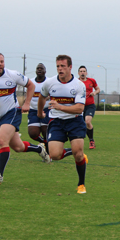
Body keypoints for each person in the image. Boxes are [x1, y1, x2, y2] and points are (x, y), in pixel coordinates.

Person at [0, 52, 50, 184]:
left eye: (2, 61)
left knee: (2, 140)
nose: (0, 64)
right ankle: (39, 149)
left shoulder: (12, 74)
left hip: (12, 112)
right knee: (18, 147)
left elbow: (30, 85)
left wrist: (26, 103)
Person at [38, 55, 88, 194]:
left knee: (78, 156)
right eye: (58, 66)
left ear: (70, 67)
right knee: (54, 155)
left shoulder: (78, 85)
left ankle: (81, 184)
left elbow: (79, 108)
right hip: (56, 122)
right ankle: (75, 151)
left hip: (75, 121)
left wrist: (60, 107)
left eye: (63, 66)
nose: (60, 69)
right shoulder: (50, 83)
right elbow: (42, 96)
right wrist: (40, 111)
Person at [28, 63, 50, 146]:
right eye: (38, 68)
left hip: (47, 109)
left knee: (46, 132)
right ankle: (43, 142)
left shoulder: (49, 82)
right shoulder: (31, 82)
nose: (39, 70)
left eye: (41, 68)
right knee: (33, 133)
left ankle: (48, 154)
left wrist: (47, 98)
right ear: (35, 71)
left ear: (45, 71)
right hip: (33, 110)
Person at [78, 66, 100, 149]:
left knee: (87, 121)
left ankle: (91, 141)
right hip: (80, 106)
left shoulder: (91, 81)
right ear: (78, 73)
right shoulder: (76, 82)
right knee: (82, 124)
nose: (82, 72)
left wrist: (94, 93)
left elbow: (98, 89)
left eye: (84, 71)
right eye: (81, 71)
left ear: (86, 73)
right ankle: (80, 140)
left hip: (90, 105)